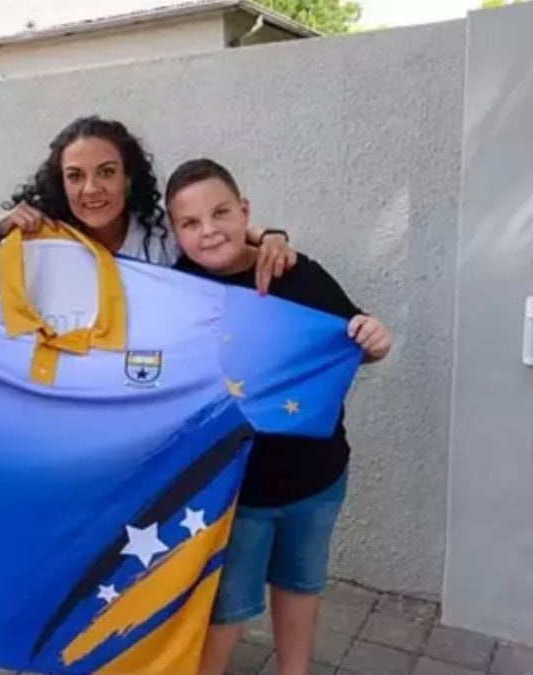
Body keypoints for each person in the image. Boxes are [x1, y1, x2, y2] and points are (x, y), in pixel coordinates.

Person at [163, 158, 391, 675]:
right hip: (231, 495)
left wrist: (374, 340)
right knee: (226, 608)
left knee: (301, 584)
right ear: (175, 232)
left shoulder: (296, 271)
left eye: (220, 213)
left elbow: (353, 339)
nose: (208, 230)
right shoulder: (176, 294)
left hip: (316, 479)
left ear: (244, 211)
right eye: (190, 222)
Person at [0, 115, 297, 291]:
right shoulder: (41, 237)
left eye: (106, 172)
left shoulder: (161, 233)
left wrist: (269, 237)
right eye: (75, 176)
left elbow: (210, 230)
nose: (91, 189)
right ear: (61, 183)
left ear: (128, 177)